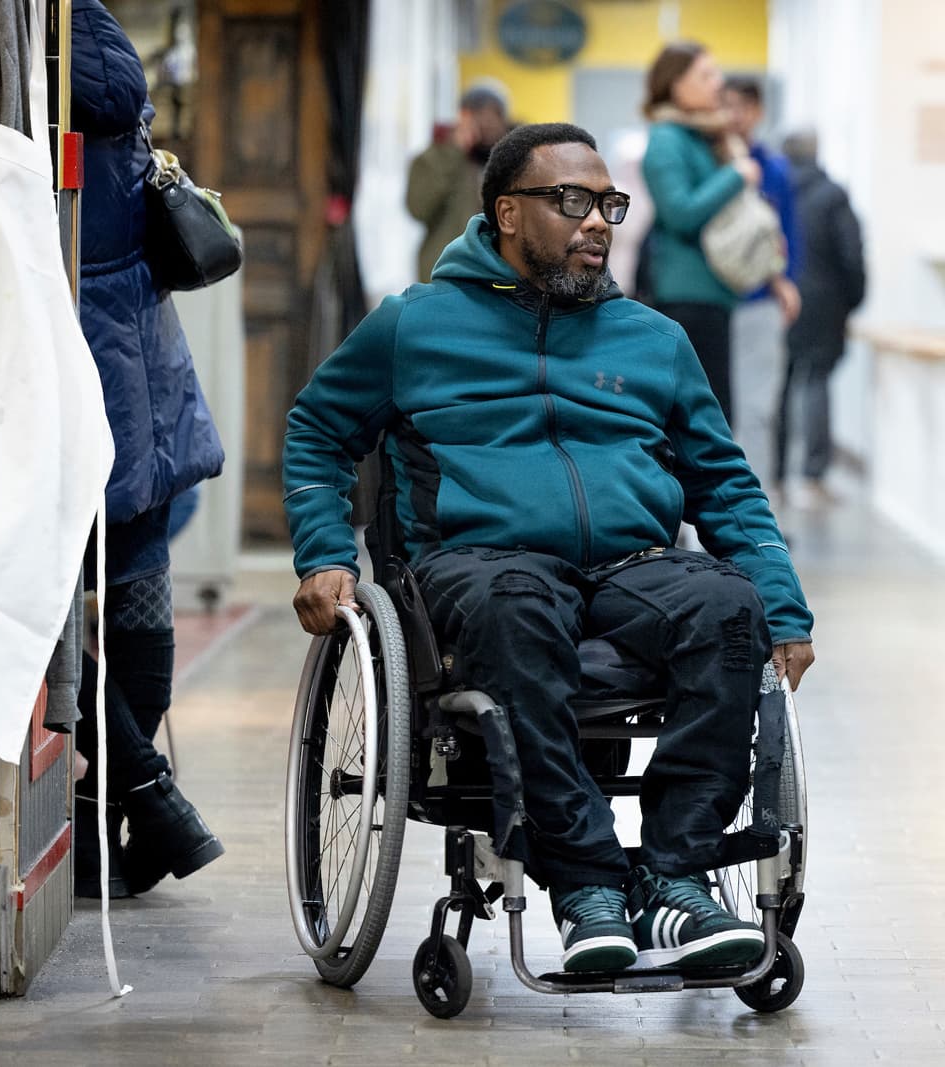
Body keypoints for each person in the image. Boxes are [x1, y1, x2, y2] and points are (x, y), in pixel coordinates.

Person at [283, 123, 815, 974]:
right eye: (570, 202)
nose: (597, 222)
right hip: (480, 566)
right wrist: (322, 551)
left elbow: (724, 481)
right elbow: (316, 427)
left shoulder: (653, 338)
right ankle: (589, 885)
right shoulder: (414, 327)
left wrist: (780, 603)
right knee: (517, 604)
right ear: (505, 212)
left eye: (608, 203)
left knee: (726, 608)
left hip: (630, 567)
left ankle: (677, 879)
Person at [70, 0, 225, 897]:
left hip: (78, 372)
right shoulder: (111, 70)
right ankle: (134, 815)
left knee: (43, 607)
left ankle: (138, 793)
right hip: (146, 371)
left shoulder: (43, 67)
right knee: (135, 587)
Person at [640, 42, 780, 419]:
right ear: (675, 84)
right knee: (703, 419)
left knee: (715, 415)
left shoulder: (701, 136)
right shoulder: (666, 140)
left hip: (713, 294)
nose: (717, 83)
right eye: (706, 75)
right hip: (687, 297)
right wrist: (735, 176)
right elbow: (680, 213)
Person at [775, 130, 866, 499]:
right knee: (815, 382)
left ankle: (775, 477)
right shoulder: (833, 195)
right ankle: (813, 476)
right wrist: (853, 300)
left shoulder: (774, 191)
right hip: (825, 304)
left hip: (778, 296)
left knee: (777, 387)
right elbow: (852, 255)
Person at [722, 76, 802, 488]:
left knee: (758, 410)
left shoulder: (774, 169)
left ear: (757, 112)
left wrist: (785, 283)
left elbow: (787, 234)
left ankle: (758, 515)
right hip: (714, 302)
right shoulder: (712, 165)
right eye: (726, 105)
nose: (733, 116)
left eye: (742, 106)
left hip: (758, 300)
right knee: (714, 412)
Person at [406, 82, 511, 282]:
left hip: (499, 276)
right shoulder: (435, 157)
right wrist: (453, 151)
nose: (487, 121)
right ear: (463, 117)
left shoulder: (518, 162)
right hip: (447, 274)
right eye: (479, 112)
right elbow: (418, 209)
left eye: (495, 113)